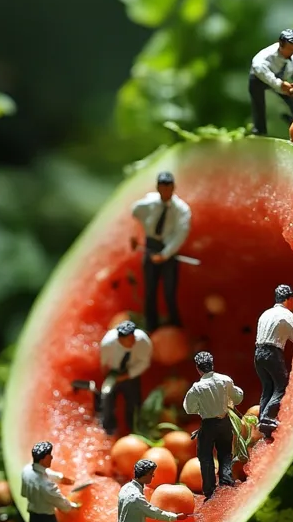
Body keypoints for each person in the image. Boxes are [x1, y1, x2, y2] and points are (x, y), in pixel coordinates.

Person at [130, 171, 191, 333]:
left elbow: (180, 235)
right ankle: (151, 326)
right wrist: (136, 236)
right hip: (150, 247)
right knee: (150, 291)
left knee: (169, 292)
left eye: (168, 187)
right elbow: (134, 212)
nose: (165, 191)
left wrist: (165, 254)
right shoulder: (149, 202)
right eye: (162, 187)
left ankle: (175, 326)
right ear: (157, 187)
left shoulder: (181, 210)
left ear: (173, 187)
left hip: (169, 250)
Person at [183, 352, 244, 501]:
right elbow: (238, 397)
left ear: (198, 369)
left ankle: (210, 491)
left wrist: (201, 409)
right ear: (212, 365)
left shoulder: (196, 388)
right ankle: (227, 482)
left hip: (208, 424)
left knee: (205, 457)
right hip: (224, 422)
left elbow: (188, 408)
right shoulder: (225, 380)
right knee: (225, 453)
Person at [255, 284, 293, 437]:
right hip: (272, 352)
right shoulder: (286, 315)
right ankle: (267, 419)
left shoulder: (265, 313)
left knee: (268, 387)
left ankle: (262, 421)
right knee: (282, 386)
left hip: (258, 353)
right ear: (289, 299)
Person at [99, 320, 152, 435]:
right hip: (113, 373)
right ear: (120, 339)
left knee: (134, 401)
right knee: (107, 399)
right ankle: (108, 428)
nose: (133, 341)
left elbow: (144, 363)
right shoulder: (107, 344)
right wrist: (109, 378)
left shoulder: (143, 341)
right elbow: (104, 363)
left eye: (133, 337)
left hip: (131, 373)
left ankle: (133, 427)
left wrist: (127, 376)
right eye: (129, 339)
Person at [249, 29, 293, 136]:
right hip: (259, 79)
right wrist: (278, 84)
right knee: (258, 104)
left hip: (285, 81)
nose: (292, 51)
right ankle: (259, 130)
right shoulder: (265, 56)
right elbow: (259, 68)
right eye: (289, 48)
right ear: (281, 44)